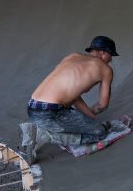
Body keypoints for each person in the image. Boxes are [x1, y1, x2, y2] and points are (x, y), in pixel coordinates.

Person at [19, 36, 119, 164]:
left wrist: (90, 117)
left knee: (84, 123)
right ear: (104, 53)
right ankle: (43, 135)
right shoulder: (105, 69)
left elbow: (73, 97)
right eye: (111, 56)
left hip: (33, 109)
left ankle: (39, 130)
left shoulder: (72, 56)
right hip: (50, 113)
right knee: (99, 133)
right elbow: (103, 105)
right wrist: (95, 117)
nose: (111, 60)